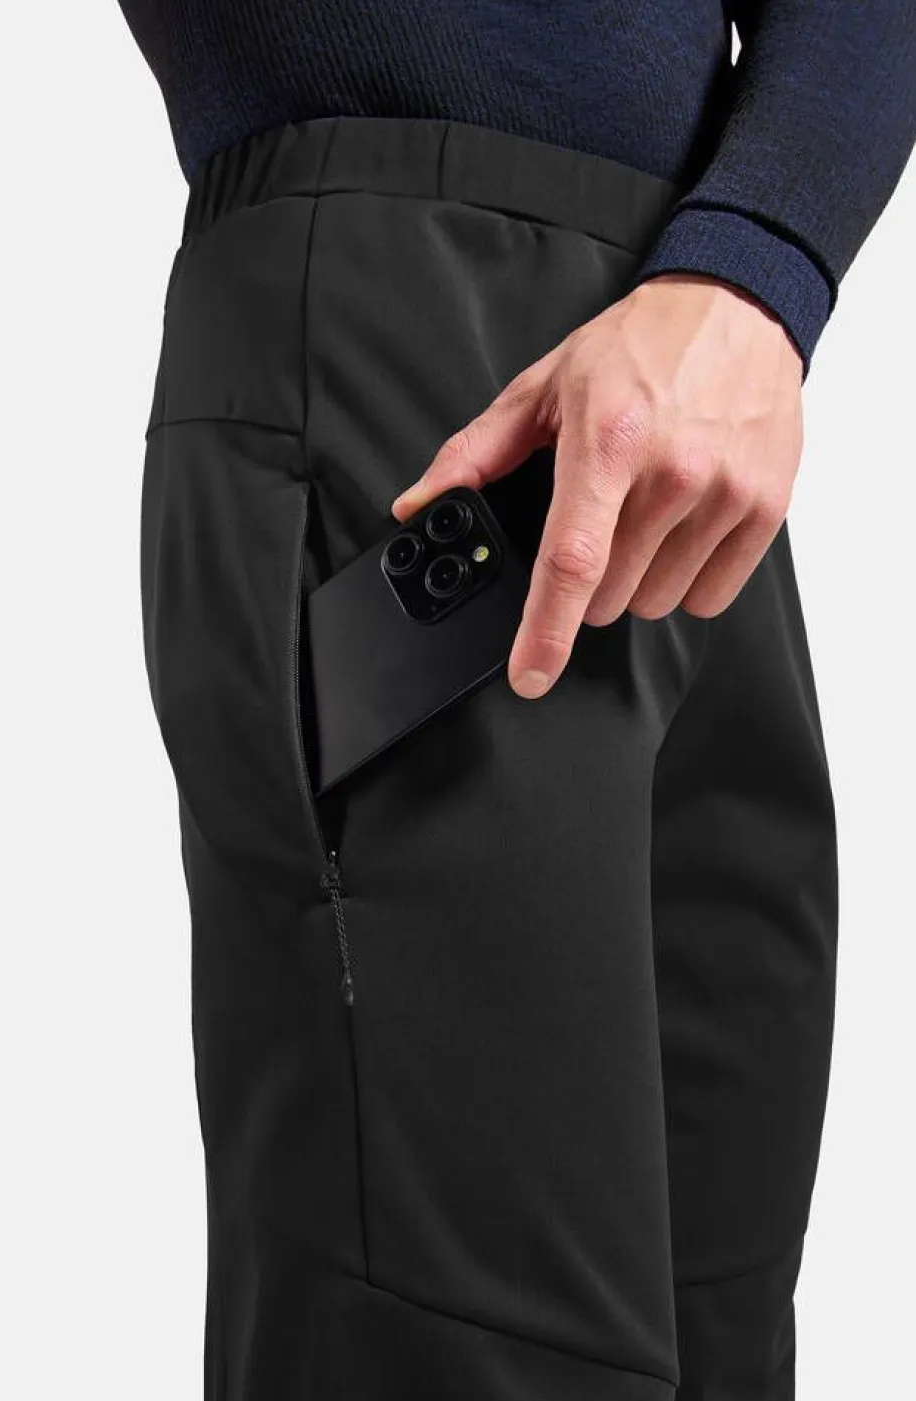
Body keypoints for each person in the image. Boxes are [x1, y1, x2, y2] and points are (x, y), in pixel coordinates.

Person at [121, 3, 916, 1397]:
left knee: (722, 1324)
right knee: (457, 1341)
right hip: (405, 367)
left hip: (697, 407)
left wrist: (757, 266)